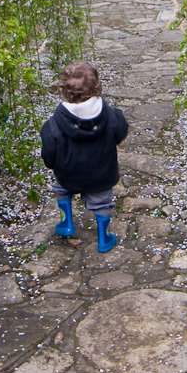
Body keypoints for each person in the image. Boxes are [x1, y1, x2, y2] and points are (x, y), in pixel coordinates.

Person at [40, 61, 128, 252]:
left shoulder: (53, 125)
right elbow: (120, 134)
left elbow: (49, 154)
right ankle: (104, 239)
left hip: (68, 174)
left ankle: (66, 223)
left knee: (61, 189)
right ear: (98, 88)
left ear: (62, 90)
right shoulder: (112, 116)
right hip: (101, 175)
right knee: (103, 202)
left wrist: (52, 164)